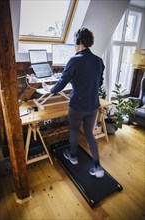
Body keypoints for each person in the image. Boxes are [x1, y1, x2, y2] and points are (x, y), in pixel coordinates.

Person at [50, 27, 105, 178]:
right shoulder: (99, 61)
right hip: (93, 105)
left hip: (77, 106)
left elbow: (61, 82)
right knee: (89, 134)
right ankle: (97, 166)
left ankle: (72, 156)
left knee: (74, 130)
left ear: (79, 42)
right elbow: (99, 82)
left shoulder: (74, 60)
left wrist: (51, 90)